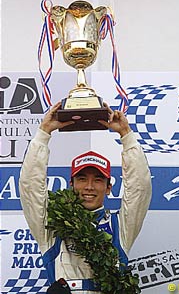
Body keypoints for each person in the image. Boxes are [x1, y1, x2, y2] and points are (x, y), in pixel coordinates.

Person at [19, 102, 152, 294]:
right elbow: (30, 186)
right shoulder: (51, 226)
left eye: (98, 180)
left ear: (108, 188)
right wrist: (43, 133)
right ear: (71, 184)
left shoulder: (119, 226)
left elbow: (140, 188)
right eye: (82, 178)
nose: (89, 186)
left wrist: (127, 136)